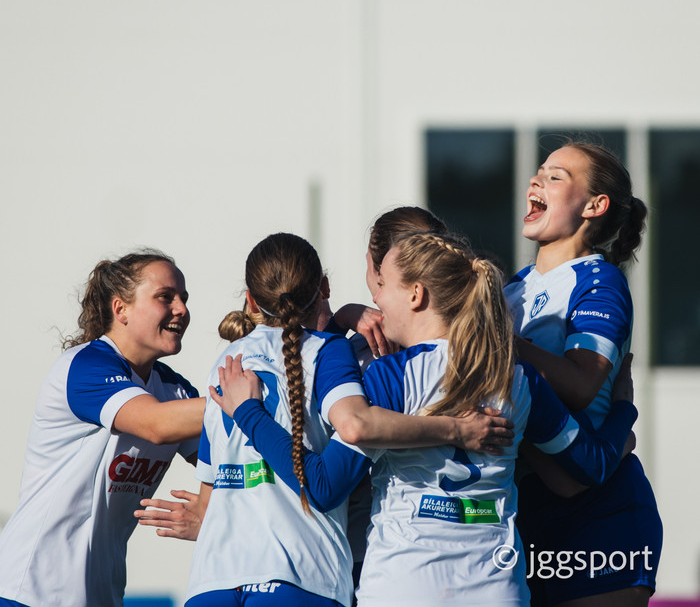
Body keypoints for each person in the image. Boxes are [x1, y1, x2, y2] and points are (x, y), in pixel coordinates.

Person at [216, 231, 639, 606]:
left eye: (382, 284)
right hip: (497, 587)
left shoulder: (390, 377)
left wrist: (250, 413)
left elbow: (322, 484)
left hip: (403, 584)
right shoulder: (519, 378)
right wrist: (623, 410)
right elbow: (594, 463)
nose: (375, 299)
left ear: (416, 295)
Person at [184, 232, 525, 607]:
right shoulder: (340, 355)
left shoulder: (225, 363)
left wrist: (342, 319)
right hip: (301, 574)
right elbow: (325, 480)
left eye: (381, 284)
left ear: (251, 300)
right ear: (324, 287)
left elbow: (207, 500)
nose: (375, 297)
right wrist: (455, 429)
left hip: (212, 579)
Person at [503, 140, 662, 606]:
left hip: (599, 511)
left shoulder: (599, 280)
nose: (536, 180)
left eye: (556, 176)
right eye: (539, 171)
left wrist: (496, 344)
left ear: (595, 206)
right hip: (529, 509)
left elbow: (579, 385)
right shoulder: (515, 286)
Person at [0, 250, 204, 607]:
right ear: (120, 309)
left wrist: (215, 508)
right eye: (165, 297)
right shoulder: (85, 367)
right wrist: (244, 399)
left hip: (102, 596)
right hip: (30, 592)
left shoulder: (175, 389)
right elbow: (157, 424)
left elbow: (230, 456)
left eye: (183, 298)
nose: (181, 309)